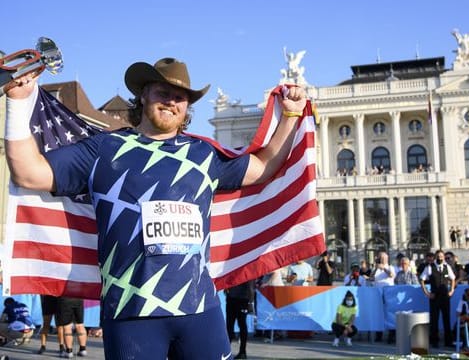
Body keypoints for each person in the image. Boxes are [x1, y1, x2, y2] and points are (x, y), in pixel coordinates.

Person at [4, 58, 307, 359]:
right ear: (143, 95)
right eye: (163, 92)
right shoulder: (104, 149)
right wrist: (17, 101)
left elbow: (265, 167)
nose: (172, 102)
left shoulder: (205, 154)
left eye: (180, 97)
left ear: (188, 107)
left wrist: (292, 113)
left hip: (200, 309)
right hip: (131, 312)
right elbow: (28, 172)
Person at [420, 249, 456, 348]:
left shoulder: (447, 267)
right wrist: (427, 293)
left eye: (441, 256)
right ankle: (434, 341)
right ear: (435, 257)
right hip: (434, 297)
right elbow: (421, 279)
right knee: (434, 319)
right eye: (438, 256)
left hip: (445, 297)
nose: (440, 258)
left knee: (446, 318)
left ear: (443, 257)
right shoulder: (429, 267)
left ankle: (448, 341)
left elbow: (453, 278)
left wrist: (452, 290)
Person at [226, 280, 255, 360]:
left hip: (242, 300)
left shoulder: (246, 270)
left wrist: (250, 303)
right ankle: (226, 351)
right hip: (231, 298)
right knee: (229, 326)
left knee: (241, 325)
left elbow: (250, 287)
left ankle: (242, 352)